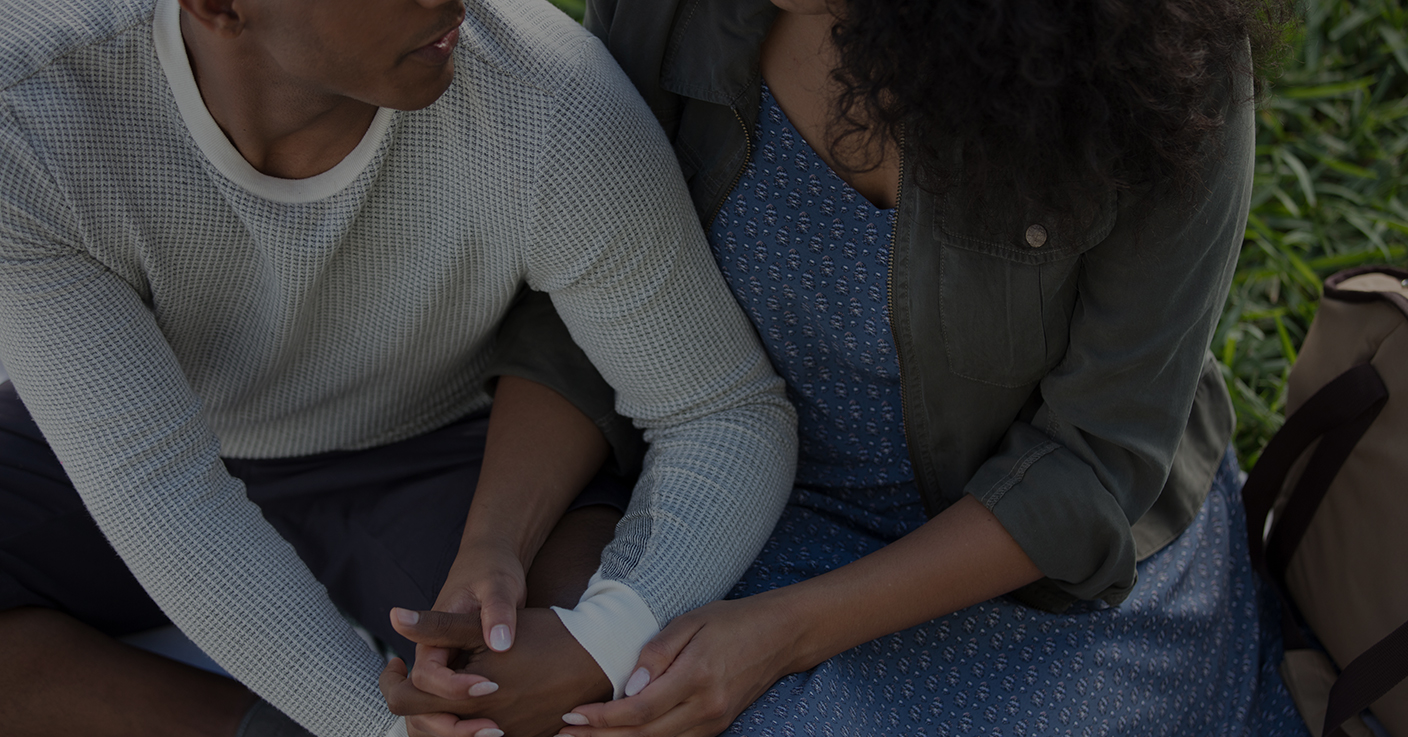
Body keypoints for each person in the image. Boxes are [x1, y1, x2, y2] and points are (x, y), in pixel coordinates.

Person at [384, 0, 1312, 734]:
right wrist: (498, 544)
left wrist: (777, 637)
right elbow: (588, 299)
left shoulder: (1161, 73)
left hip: (1032, 572)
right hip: (733, 493)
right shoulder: (675, 13)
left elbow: (1092, 462)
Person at [0, 0, 799, 735]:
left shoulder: (546, 98)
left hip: (434, 445)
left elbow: (721, 409)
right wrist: (374, 725)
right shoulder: (29, 109)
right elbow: (157, 485)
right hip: (122, 446)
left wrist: (605, 633)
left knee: (570, 697)